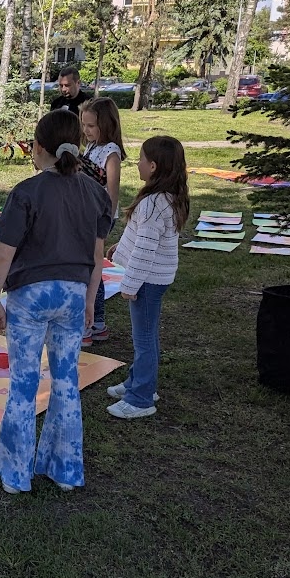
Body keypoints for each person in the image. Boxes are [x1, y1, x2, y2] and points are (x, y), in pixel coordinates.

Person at [0, 110, 111, 494]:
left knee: (23, 384)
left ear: (38, 147)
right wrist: (89, 301)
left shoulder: (26, 192)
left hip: (30, 297)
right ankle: (65, 469)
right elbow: (97, 254)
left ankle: (16, 474)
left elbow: (4, 254)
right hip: (73, 295)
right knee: (66, 380)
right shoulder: (95, 193)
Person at [105, 135, 189, 420]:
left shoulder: (153, 203)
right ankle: (137, 382)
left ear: (153, 166)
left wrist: (130, 285)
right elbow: (141, 239)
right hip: (153, 278)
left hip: (147, 281)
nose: (137, 164)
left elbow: (146, 251)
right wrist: (122, 246)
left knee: (144, 339)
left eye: (140, 159)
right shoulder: (165, 198)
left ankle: (141, 398)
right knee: (146, 336)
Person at [80, 97, 126, 346]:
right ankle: (95, 322)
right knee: (88, 269)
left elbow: (113, 191)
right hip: (86, 216)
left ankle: (93, 323)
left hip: (99, 219)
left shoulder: (111, 152)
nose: (86, 131)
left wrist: (105, 221)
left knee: (92, 271)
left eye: (91, 126)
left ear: (106, 125)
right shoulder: (92, 147)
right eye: (84, 125)